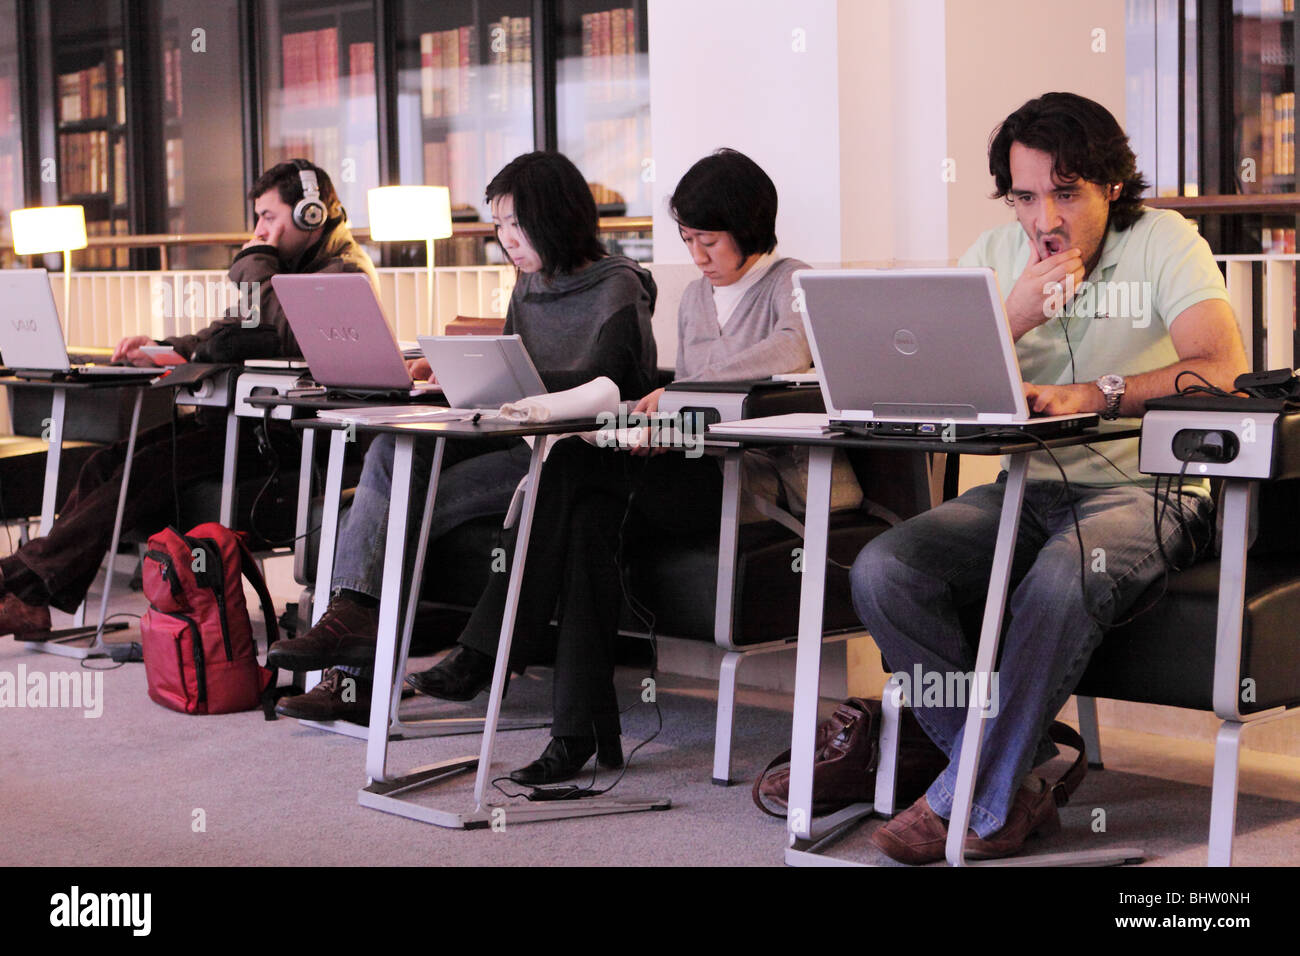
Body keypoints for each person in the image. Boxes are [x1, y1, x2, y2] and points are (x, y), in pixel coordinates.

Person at [850, 92, 1249, 864]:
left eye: (1067, 193)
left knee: (1067, 571)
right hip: (1024, 493)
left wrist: (1096, 392)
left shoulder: (1166, 241)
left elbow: (1222, 368)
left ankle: (965, 798)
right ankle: (1012, 783)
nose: (1045, 219)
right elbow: (927, 382)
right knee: (885, 568)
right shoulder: (994, 258)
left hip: (1151, 490)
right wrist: (1013, 316)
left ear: (1112, 187)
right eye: (1027, 197)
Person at [407, 147, 859, 784]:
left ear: (750, 228)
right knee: (586, 514)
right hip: (688, 465)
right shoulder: (696, 298)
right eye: (687, 238)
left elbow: (789, 350)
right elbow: (688, 405)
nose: (698, 255)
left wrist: (684, 393)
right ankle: (578, 736)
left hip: (752, 481)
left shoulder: (795, 283)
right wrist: (656, 424)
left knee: (569, 475)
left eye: (709, 239)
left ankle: (490, 648)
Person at [267, 150, 658, 723]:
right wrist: (452, 374)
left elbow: (614, 387)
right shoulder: (528, 285)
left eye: (514, 224)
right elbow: (509, 368)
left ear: (555, 217)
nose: (506, 240)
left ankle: (350, 675)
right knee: (389, 453)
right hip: (503, 434)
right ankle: (349, 628)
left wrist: (501, 384)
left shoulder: (619, 286)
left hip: (561, 456)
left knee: (401, 508)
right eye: (498, 226)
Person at [0, 160, 373, 634]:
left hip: (289, 434)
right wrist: (163, 349)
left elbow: (279, 335)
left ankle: (16, 579)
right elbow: (228, 333)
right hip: (241, 423)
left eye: (269, 217)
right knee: (102, 463)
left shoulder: (343, 272)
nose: (259, 230)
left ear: (311, 215)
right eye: (257, 218)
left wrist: (256, 261)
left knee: (146, 468)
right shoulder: (283, 265)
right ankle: (31, 598)